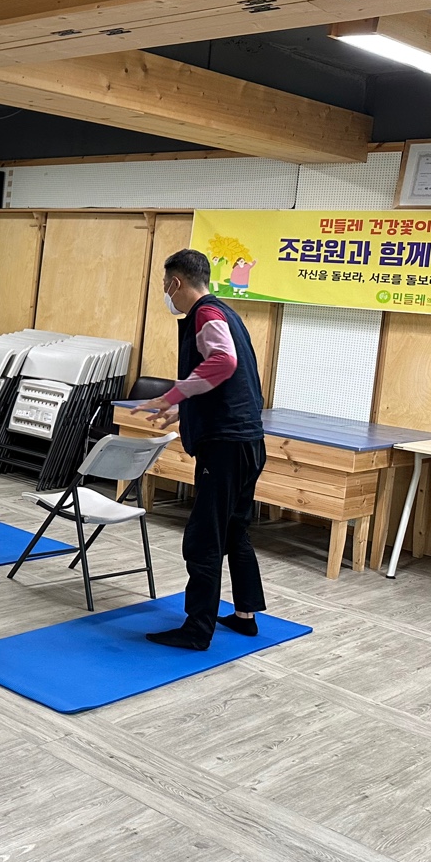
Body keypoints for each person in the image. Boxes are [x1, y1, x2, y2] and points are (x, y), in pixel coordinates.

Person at [136, 248, 266, 651]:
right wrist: (183, 410)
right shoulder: (228, 313)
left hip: (225, 448)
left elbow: (223, 363)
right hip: (248, 441)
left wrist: (172, 395)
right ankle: (245, 615)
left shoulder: (205, 314)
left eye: (165, 285)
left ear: (176, 282)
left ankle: (197, 629)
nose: (165, 293)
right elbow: (228, 384)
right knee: (234, 530)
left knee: (204, 537)